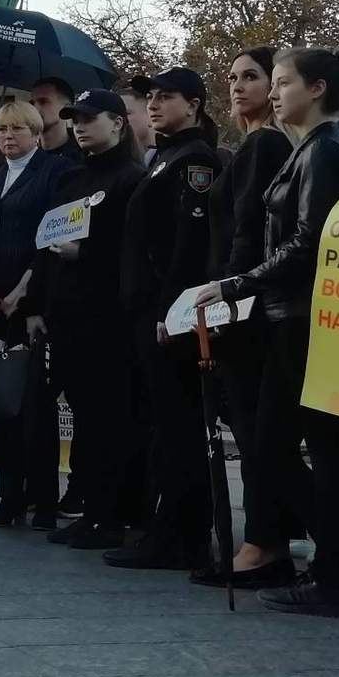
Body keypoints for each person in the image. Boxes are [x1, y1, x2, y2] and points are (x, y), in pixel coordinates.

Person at [197, 51, 339, 609]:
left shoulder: (325, 151)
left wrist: (238, 284)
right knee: (278, 445)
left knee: (278, 446)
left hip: (302, 316)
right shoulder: (310, 151)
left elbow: (312, 240)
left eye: (283, 82)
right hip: (288, 314)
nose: (273, 93)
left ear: (316, 89)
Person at [108, 67, 223, 568]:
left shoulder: (194, 158)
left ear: (194, 104)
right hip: (145, 308)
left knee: (178, 427)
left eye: (166, 96)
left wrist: (171, 311)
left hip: (167, 314)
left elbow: (188, 245)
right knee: (164, 424)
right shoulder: (167, 155)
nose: (154, 104)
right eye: (150, 97)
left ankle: (182, 534)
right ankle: (171, 526)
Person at [32, 90, 147, 546]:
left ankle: (110, 513)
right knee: (81, 415)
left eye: (88, 118)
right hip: (66, 316)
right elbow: (45, 245)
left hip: (108, 319)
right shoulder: (70, 179)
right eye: (73, 119)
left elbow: (133, 251)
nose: (78, 126)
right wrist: (37, 305)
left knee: (108, 418)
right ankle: (90, 505)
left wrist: (87, 252)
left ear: (117, 123)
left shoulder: (131, 179)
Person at [200, 47, 296, 582]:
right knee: (253, 428)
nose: (238, 86)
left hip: (245, 305)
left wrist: (226, 296)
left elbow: (248, 229)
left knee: (258, 432)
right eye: (233, 77)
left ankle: (265, 542)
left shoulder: (265, 144)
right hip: (238, 299)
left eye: (252, 77)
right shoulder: (251, 144)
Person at [0, 99, 74, 525]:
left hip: (31, 306)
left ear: (36, 133)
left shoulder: (54, 172)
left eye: (17, 130)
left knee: (34, 406)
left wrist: (23, 294)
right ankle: (9, 497)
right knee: (0, 402)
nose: (8, 137)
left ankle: (43, 499)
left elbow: (53, 236)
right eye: (2, 130)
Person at [29, 76, 85, 166]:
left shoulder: (83, 156)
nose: (35, 108)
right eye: (32, 103)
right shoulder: (26, 156)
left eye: (43, 102)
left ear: (66, 108)